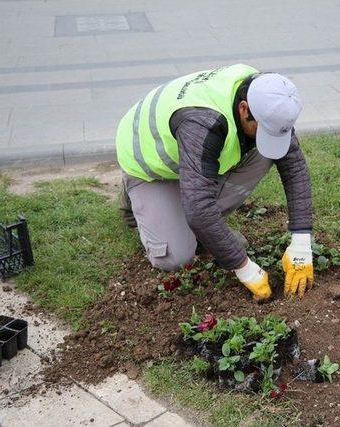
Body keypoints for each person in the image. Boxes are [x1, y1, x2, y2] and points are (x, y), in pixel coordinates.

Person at [115, 64, 314, 301]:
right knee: (175, 256)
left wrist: (301, 243)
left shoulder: (268, 96)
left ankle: (197, 219)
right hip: (151, 166)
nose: (267, 136)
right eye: (261, 130)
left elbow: (294, 165)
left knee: (267, 152)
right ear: (244, 109)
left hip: (197, 154)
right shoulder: (203, 122)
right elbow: (199, 208)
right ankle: (135, 196)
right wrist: (244, 268)